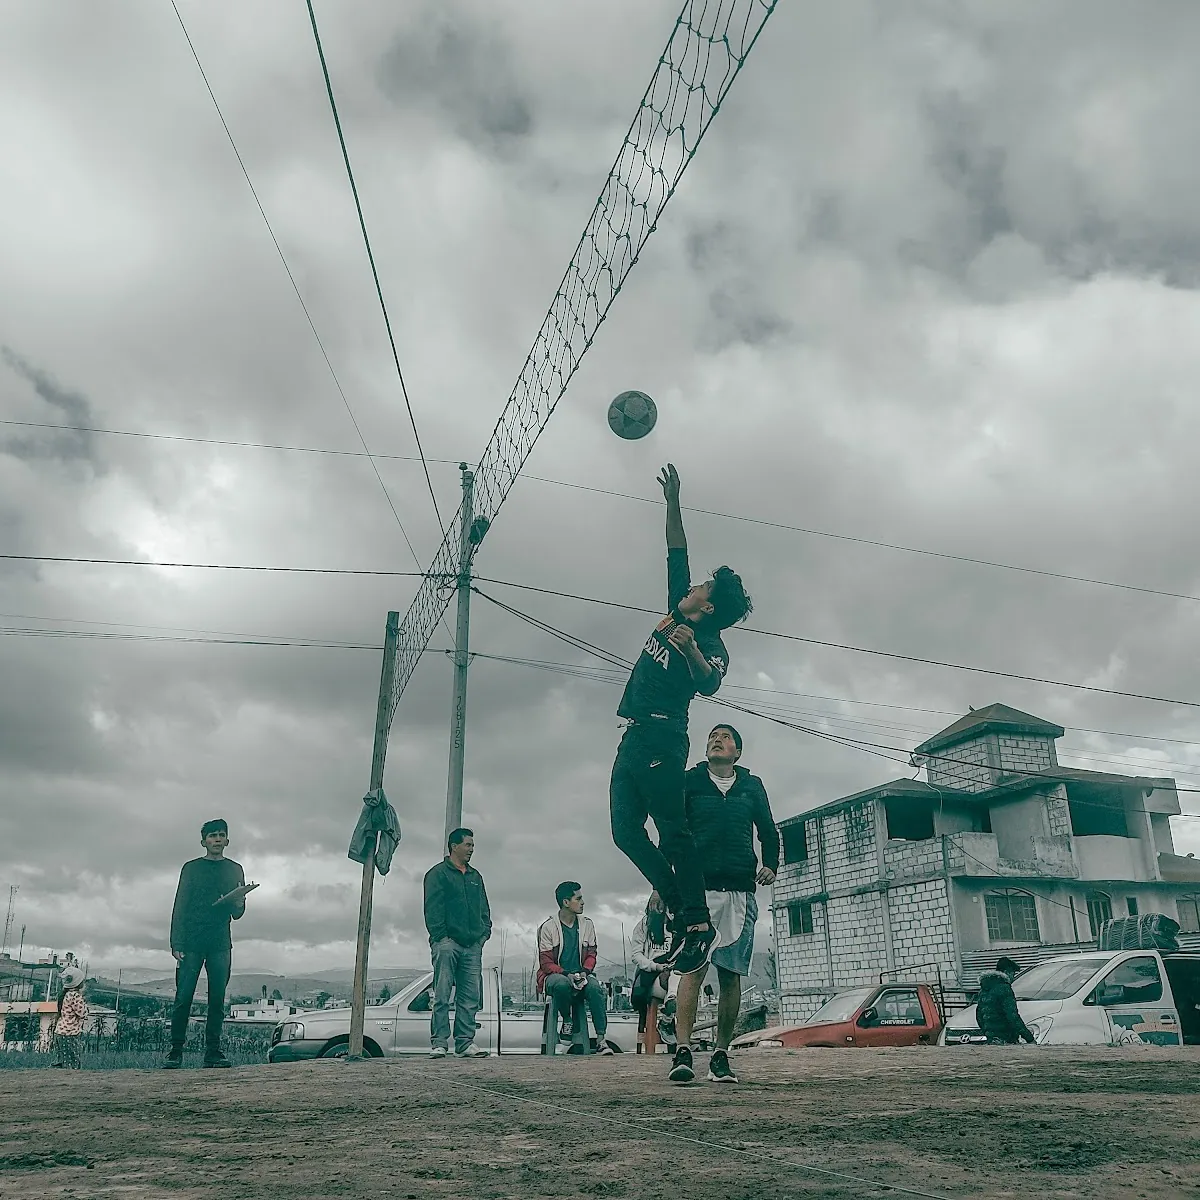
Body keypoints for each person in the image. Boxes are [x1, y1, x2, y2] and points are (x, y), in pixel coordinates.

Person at [610, 463, 753, 979]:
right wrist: (672, 501)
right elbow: (676, 548)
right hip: (633, 734)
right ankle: (678, 909)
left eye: (701, 586)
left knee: (672, 831)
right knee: (624, 832)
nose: (691, 585)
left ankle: (696, 922)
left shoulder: (710, 642)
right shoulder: (676, 606)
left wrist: (691, 649)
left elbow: (710, 681)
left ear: (708, 604)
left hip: (665, 736)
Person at [670, 724, 779, 1084]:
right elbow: (673, 829)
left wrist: (771, 864)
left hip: (739, 890)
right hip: (697, 891)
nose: (717, 740)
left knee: (730, 973)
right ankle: (683, 1052)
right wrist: (664, 882)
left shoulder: (752, 785)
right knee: (693, 969)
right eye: (712, 737)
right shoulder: (690, 782)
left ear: (738, 753)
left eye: (726, 737)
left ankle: (720, 1055)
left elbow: (767, 828)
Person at [165, 818, 257, 1069]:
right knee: (183, 997)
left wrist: (239, 902)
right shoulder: (191, 868)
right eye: (212, 836)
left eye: (221, 835)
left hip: (220, 941)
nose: (217, 839)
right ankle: (175, 1052)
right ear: (203, 841)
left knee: (217, 999)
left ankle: (213, 1053)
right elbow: (180, 904)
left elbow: (238, 913)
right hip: (191, 941)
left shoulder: (235, 869)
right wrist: (176, 942)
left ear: (227, 840)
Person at [423, 827, 492, 1059]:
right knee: (442, 994)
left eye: (472, 845)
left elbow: (484, 908)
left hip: (473, 945)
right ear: (454, 846)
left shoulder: (476, 877)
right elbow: (432, 910)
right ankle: (439, 1042)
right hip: (447, 943)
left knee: (470, 996)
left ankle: (465, 1043)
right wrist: (441, 937)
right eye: (468, 844)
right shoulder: (437, 874)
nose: (472, 849)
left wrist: (483, 935)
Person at [535, 882, 614, 1055]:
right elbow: (546, 963)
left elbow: (592, 954)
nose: (583, 902)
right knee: (562, 984)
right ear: (565, 902)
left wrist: (584, 973)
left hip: (581, 974)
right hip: (554, 976)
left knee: (595, 988)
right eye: (578, 898)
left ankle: (601, 1039)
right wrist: (567, 974)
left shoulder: (587, 924)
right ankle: (568, 1020)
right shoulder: (548, 927)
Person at [629, 891, 679, 1048]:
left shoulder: (676, 925)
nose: (658, 907)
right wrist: (656, 966)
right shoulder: (643, 926)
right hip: (651, 976)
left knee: (678, 975)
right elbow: (636, 955)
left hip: (674, 971)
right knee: (672, 979)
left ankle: (669, 1013)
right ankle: (669, 1014)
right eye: (654, 903)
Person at [977, 957, 1037, 1045]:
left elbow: (979, 1015)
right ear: (1006, 972)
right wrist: (1029, 1038)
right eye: (1013, 974)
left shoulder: (984, 989)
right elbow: (1012, 1016)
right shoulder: (1004, 988)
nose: (1013, 978)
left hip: (991, 1039)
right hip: (1006, 1038)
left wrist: (988, 1033)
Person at [52, 966, 88, 1069]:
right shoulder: (75, 996)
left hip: (60, 1031)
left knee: (61, 1060)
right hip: (70, 1033)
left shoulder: (65, 994)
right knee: (73, 1062)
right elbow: (83, 1013)